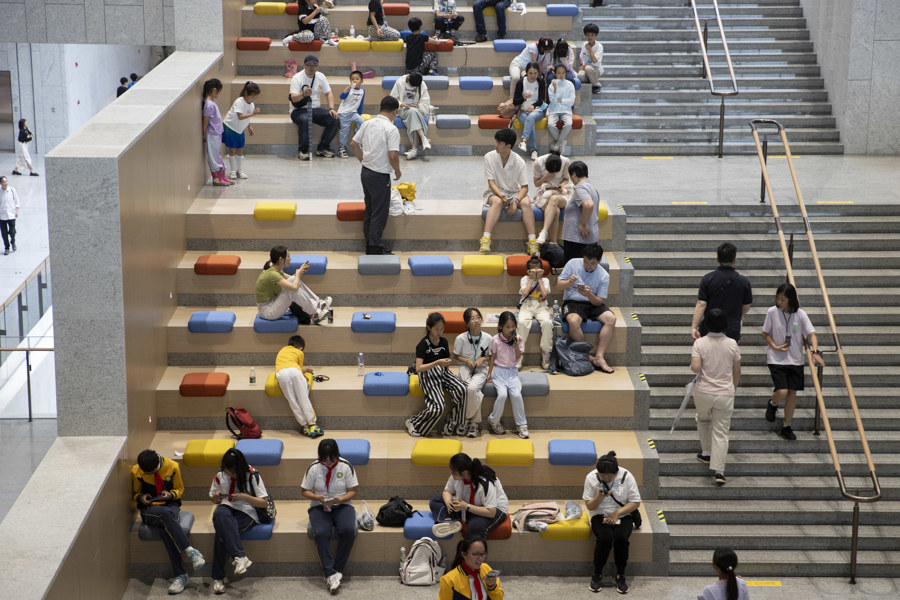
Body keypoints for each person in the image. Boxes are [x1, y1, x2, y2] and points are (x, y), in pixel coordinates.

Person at [131, 449, 205, 595]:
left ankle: (181, 575)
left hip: (170, 506)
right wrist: (141, 497)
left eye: (152, 472)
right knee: (165, 515)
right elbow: (136, 493)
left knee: (167, 531)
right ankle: (191, 551)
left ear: (158, 463)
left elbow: (180, 489)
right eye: (148, 473)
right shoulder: (137, 471)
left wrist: (171, 494)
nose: (151, 475)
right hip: (150, 510)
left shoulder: (172, 466)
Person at [762, 283, 824, 440]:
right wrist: (775, 346)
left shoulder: (800, 314)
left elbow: (812, 335)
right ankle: (773, 403)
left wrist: (815, 352)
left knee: (792, 393)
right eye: (777, 299)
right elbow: (765, 333)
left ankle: (786, 425)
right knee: (782, 391)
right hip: (776, 359)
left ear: (791, 299)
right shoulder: (772, 312)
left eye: (782, 299)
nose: (779, 303)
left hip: (795, 360)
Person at [208, 448, 271, 595]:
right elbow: (213, 500)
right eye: (228, 472)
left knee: (221, 534)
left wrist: (244, 497)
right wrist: (217, 497)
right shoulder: (220, 474)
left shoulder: (252, 474)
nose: (230, 475)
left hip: (248, 511)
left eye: (233, 473)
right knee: (219, 512)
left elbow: (264, 503)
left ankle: (218, 578)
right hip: (227, 507)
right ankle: (240, 557)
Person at [301, 439, 359, 594]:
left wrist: (340, 499)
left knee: (348, 530)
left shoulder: (346, 466)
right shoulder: (313, 468)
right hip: (319, 506)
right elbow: (304, 491)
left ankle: (338, 569)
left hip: (342, 505)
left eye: (331, 458)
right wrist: (316, 497)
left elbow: (353, 490)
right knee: (320, 533)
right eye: (324, 459)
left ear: (337, 454)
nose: (327, 462)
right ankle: (329, 573)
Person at [691, 308, 741, 486]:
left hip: (703, 391)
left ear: (706, 324)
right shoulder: (732, 344)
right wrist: (732, 389)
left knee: (702, 419)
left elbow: (695, 368)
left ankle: (705, 452)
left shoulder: (700, 343)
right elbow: (737, 371)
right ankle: (719, 471)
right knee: (721, 432)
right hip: (725, 393)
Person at [583, 451, 641, 594]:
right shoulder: (591, 478)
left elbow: (635, 502)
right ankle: (597, 574)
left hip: (623, 514)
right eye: (603, 476)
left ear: (617, 472)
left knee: (621, 538)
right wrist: (600, 496)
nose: (607, 478)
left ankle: (620, 575)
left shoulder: (626, 476)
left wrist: (617, 513)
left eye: (610, 475)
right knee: (605, 538)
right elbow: (590, 506)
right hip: (600, 514)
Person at [350, 95, 402, 255]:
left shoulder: (368, 123)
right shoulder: (391, 129)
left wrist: (362, 160)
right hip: (379, 176)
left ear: (380, 109)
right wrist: (398, 171)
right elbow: (393, 155)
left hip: (365, 172)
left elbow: (353, 144)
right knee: (379, 212)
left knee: (370, 210)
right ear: (395, 111)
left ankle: (370, 244)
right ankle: (375, 247)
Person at [557, 243, 616, 374]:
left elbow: (599, 301)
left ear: (599, 261)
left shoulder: (604, 275)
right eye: (586, 262)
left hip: (592, 302)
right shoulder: (572, 263)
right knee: (573, 320)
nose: (588, 266)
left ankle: (600, 357)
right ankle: (588, 357)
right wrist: (569, 283)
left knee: (611, 318)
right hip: (572, 302)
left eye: (592, 263)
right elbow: (558, 286)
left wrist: (589, 294)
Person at [406, 312, 467, 437]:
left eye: (442, 328)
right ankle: (413, 421)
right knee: (438, 408)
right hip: (427, 374)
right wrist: (437, 362)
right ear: (429, 328)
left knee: (462, 389)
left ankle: (452, 421)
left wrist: (445, 363)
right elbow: (418, 368)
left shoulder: (443, 342)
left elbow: (445, 361)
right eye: (437, 329)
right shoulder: (423, 344)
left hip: (443, 372)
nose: (440, 332)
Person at [479, 128, 538, 255]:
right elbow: (491, 182)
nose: (496, 145)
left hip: (516, 192)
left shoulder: (519, 161)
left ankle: (532, 242)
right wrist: (500, 195)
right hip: (495, 191)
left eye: (499, 143)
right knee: (497, 202)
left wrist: (516, 201)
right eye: (496, 142)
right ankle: (485, 239)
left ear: (508, 146)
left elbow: (524, 188)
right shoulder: (489, 157)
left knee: (526, 204)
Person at [430, 453, 509, 539]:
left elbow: (491, 512)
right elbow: (447, 491)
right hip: (467, 506)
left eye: (453, 471)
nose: (451, 473)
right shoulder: (457, 476)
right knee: (436, 500)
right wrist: (448, 501)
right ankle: (448, 522)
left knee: (474, 527)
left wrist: (467, 507)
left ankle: (474, 549)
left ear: (464, 473)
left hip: (492, 509)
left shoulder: (485, 483)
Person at [691, 242, 753, 343]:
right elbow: (746, 306)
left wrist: (694, 327)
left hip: (709, 328)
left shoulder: (707, 279)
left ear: (717, 259)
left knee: (707, 357)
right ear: (734, 260)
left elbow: (701, 304)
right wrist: (739, 316)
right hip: (732, 328)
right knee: (729, 357)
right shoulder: (744, 281)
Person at [255, 246, 332, 324]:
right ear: (281, 259)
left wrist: (300, 271)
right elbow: (294, 287)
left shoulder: (275, 270)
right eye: (288, 256)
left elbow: (293, 279)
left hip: (272, 305)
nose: (290, 259)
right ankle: (315, 312)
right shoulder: (272, 274)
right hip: (267, 312)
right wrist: (298, 275)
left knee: (293, 280)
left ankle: (318, 303)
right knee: (293, 288)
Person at [486, 310, 529, 438]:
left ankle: (522, 425)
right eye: (508, 327)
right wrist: (489, 373)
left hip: (512, 372)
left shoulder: (518, 339)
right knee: (502, 395)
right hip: (499, 372)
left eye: (513, 326)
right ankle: (493, 421)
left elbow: (518, 356)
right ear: (501, 327)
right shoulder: (495, 339)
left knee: (516, 395)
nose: (511, 329)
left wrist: (516, 343)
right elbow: (492, 357)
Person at [289, 54, 340, 160]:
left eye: (314, 65)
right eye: (308, 65)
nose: (311, 68)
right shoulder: (297, 78)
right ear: (304, 65)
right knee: (305, 120)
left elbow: (329, 93)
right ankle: (303, 150)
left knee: (334, 119)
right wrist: (303, 94)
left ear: (317, 66)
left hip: (315, 109)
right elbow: (293, 98)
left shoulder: (321, 76)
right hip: (298, 110)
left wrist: (331, 109)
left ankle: (323, 148)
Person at [453, 307, 492, 438]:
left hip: (481, 369)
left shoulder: (488, 338)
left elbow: (492, 357)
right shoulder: (461, 338)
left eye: (478, 317)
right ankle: (474, 424)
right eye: (472, 318)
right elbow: (456, 355)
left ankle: (466, 420)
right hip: (465, 367)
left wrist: (483, 358)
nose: (476, 320)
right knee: (469, 390)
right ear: (467, 323)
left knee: (471, 389)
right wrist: (467, 360)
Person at [275, 335, 324, 437]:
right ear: (301, 347)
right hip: (294, 371)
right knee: (303, 397)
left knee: (292, 400)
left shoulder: (282, 350)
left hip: (281, 374)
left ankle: (305, 426)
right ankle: (313, 424)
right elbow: (298, 370)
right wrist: (308, 370)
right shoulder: (299, 352)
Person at [517, 255, 554, 370]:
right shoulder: (524, 279)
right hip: (527, 306)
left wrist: (539, 279)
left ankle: (546, 352)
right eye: (532, 270)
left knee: (547, 322)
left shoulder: (545, 280)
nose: (536, 272)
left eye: (538, 270)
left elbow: (544, 294)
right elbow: (524, 292)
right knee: (522, 322)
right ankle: (519, 354)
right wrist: (531, 279)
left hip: (541, 307)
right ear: (528, 271)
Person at [559, 160, 600, 263]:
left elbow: (588, 204)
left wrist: (582, 224)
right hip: (588, 239)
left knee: (574, 274)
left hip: (577, 241)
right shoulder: (592, 188)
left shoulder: (580, 188)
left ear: (574, 175)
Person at [439, 538, 504, 599]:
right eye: (475, 554)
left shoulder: (486, 569)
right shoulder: (448, 580)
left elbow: (499, 598)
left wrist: (492, 587)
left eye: (483, 554)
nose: (480, 558)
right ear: (464, 554)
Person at [223, 81, 261, 180]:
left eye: (255, 97)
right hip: (231, 127)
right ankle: (232, 171)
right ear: (245, 93)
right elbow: (240, 116)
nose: (253, 99)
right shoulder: (239, 101)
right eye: (252, 96)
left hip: (239, 129)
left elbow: (247, 117)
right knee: (232, 149)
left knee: (240, 148)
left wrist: (249, 127)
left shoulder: (251, 104)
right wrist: (253, 114)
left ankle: (239, 170)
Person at [389, 72, 432, 160]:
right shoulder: (400, 82)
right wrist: (401, 104)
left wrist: (419, 105)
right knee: (413, 112)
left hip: (417, 110)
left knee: (413, 113)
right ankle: (424, 138)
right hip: (403, 110)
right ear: (408, 78)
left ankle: (414, 150)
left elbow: (425, 100)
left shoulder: (421, 84)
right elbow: (392, 98)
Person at [533, 152, 572, 245]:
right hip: (544, 194)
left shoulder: (565, 161)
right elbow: (536, 184)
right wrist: (546, 176)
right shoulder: (538, 162)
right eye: (552, 171)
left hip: (560, 195)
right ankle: (553, 243)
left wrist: (560, 185)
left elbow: (566, 179)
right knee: (556, 211)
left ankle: (544, 232)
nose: (554, 174)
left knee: (554, 199)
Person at [202, 79, 233, 186]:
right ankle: (217, 179)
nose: (219, 94)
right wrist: (203, 133)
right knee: (213, 156)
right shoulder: (209, 105)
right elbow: (206, 120)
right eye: (219, 91)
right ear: (214, 90)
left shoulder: (212, 103)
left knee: (217, 155)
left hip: (217, 133)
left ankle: (222, 177)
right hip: (212, 134)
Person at [513, 62, 547, 161]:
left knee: (531, 117)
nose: (533, 76)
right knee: (530, 122)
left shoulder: (540, 82)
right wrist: (524, 98)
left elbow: (541, 100)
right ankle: (533, 150)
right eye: (530, 73)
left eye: (535, 73)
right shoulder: (521, 82)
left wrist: (533, 106)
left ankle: (523, 140)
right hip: (523, 111)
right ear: (526, 72)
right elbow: (515, 101)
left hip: (537, 110)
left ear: (538, 73)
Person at [547, 63, 576, 154]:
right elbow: (553, 101)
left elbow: (571, 101)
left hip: (566, 110)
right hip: (554, 110)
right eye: (559, 73)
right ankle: (561, 141)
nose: (561, 75)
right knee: (550, 125)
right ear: (555, 74)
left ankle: (558, 142)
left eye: (563, 73)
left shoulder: (570, 84)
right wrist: (555, 89)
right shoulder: (551, 85)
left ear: (565, 74)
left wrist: (561, 100)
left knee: (568, 124)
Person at [337, 70, 366, 159]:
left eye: (357, 79)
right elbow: (341, 96)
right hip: (344, 113)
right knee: (345, 130)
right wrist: (347, 88)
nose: (354, 81)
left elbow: (360, 103)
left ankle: (358, 142)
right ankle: (342, 148)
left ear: (362, 81)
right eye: (352, 79)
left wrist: (359, 114)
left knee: (362, 123)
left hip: (354, 112)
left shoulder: (362, 91)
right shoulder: (349, 90)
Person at [578, 23, 604, 95]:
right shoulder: (584, 45)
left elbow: (595, 61)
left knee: (588, 68)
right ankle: (591, 79)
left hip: (595, 69)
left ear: (596, 35)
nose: (590, 37)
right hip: (586, 67)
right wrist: (582, 65)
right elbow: (581, 57)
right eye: (588, 35)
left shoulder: (599, 46)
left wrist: (589, 49)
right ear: (585, 35)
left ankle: (596, 85)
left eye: (592, 35)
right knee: (580, 76)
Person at [0, 176, 20, 255]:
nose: (5, 183)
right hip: (2, 215)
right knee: (4, 233)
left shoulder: (12, 190)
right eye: (3, 182)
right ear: (0, 183)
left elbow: (16, 200)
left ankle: (13, 241)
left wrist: (17, 210)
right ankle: (7, 247)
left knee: (12, 231)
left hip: (11, 214)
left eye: (6, 181)